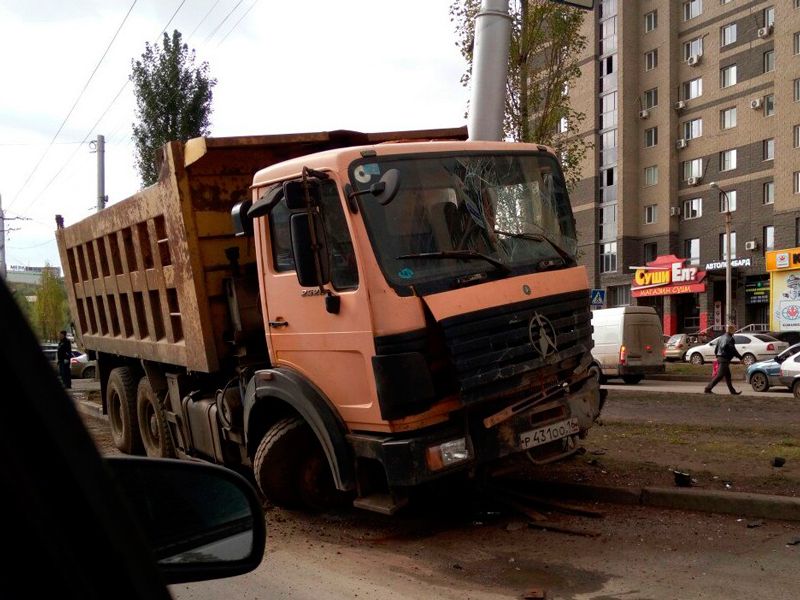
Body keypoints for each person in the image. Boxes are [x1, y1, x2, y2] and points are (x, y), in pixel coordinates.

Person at [704, 324, 742, 395]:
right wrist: (740, 358)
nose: (735, 332)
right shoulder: (730, 339)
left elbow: (716, 349)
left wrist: (717, 356)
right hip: (724, 359)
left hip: (720, 358)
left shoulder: (721, 337)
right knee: (719, 375)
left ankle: (733, 392)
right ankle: (708, 389)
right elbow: (733, 350)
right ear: (731, 331)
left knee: (728, 376)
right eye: (734, 330)